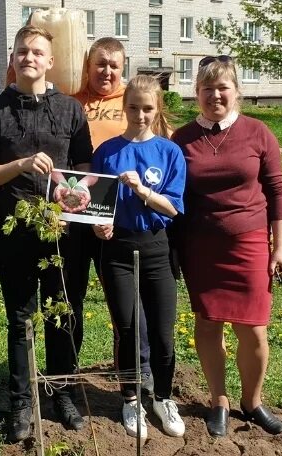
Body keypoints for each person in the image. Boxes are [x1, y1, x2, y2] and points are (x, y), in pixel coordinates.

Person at [0, 25, 94, 443]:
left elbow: (86, 175)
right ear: (13, 58)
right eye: (22, 51)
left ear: (50, 61)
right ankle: (22, 402)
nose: (29, 58)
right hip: (15, 234)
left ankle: (61, 393)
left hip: (63, 235)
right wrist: (20, 166)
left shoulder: (71, 111)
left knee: (62, 315)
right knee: (21, 320)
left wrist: (67, 206)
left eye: (37, 52)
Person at [170, 55, 282, 438]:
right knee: (208, 324)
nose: (215, 95)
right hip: (201, 247)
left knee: (253, 329)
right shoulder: (183, 138)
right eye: (207, 89)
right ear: (197, 94)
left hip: (250, 243)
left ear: (237, 91)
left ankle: (252, 402)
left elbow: (277, 191)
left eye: (223, 87)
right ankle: (218, 399)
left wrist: (281, 247)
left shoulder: (259, 133)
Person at [91, 75, 186, 439]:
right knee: (130, 330)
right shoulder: (108, 151)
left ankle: (162, 398)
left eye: (147, 108)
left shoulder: (168, 151)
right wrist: (100, 226)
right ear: (124, 108)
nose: (140, 115)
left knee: (163, 334)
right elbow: (97, 205)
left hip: (156, 248)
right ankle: (131, 399)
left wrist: (142, 189)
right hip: (116, 251)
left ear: (157, 109)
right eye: (133, 108)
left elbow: (174, 209)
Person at [71, 37, 154, 394]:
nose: (106, 71)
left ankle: (134, 376)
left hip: (117, 222)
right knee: (68, 298)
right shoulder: (71, 100)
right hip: (75, 214)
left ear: (124, 68)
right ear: (87, 65)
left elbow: (155, 148)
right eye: (100, 63)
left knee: (126, 307)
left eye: (113, 65)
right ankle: (67, 377)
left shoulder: (133, 102)